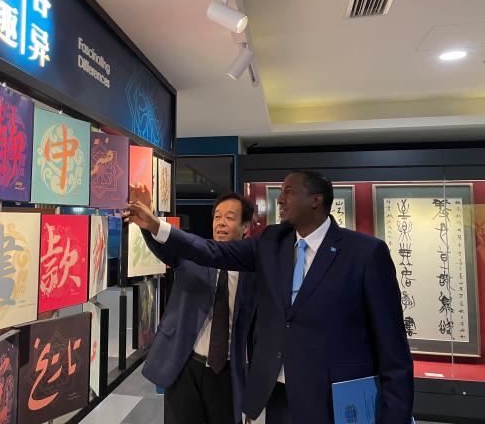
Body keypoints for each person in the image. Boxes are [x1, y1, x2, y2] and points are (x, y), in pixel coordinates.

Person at [126, 171, 414, 424]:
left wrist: (396, 415)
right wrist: (155, 225)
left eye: (289, 191)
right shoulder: (272, 243)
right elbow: (210, 251)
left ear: (315, 200)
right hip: (277, 394)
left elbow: (392, 346)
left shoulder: (365, 253)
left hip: (331, 398)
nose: (280, 200)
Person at [139, 191, 257, 424]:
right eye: (217, 217)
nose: (221, 223)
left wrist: (252, 392)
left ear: (245, 227)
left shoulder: (254, 272)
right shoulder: (194, 254)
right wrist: (149, 222)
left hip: (227, 373)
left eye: (230, 217)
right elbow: (163, 246)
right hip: (185, 366)